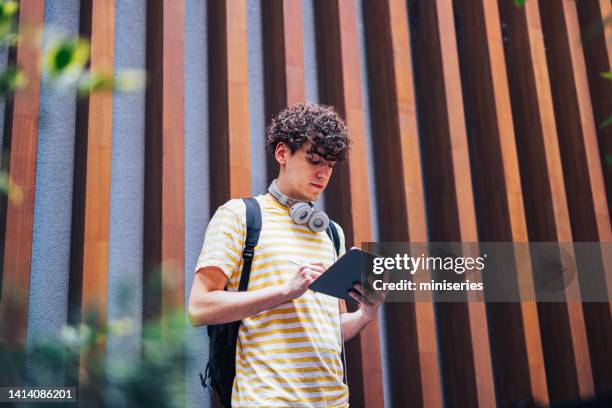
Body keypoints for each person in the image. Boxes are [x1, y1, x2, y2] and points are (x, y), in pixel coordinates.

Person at [188, 102, 385, 407]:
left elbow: (331, 330)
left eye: (330, 165)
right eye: (314, 160)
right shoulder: (240, 215)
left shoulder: (332, 233)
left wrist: (366, 315)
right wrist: (285, 290)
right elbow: (199, 307)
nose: (323, 173)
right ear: (282, 153)